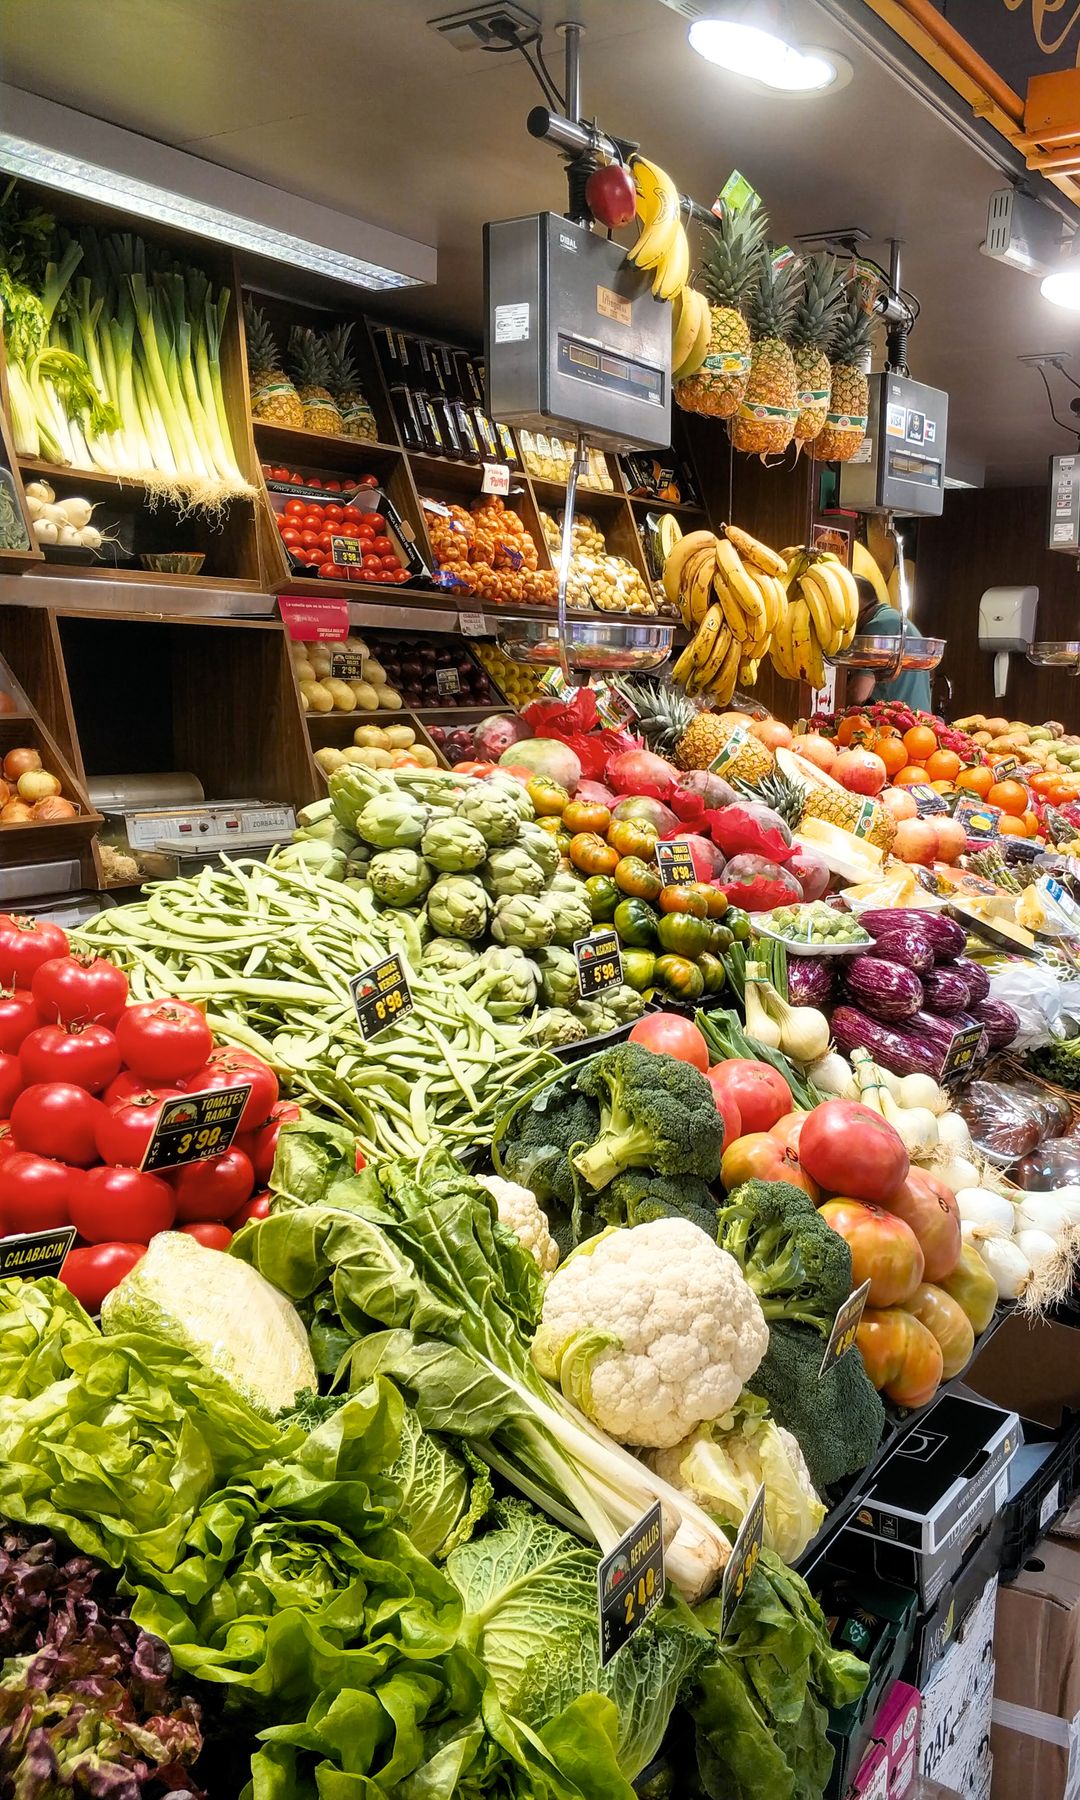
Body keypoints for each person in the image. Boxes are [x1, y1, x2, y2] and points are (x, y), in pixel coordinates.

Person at [846, 577, 932, 715]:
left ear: (855, 605)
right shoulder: (893, 619)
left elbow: (858, 694)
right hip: (921, 722)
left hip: (899, 726)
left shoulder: (876, 628)